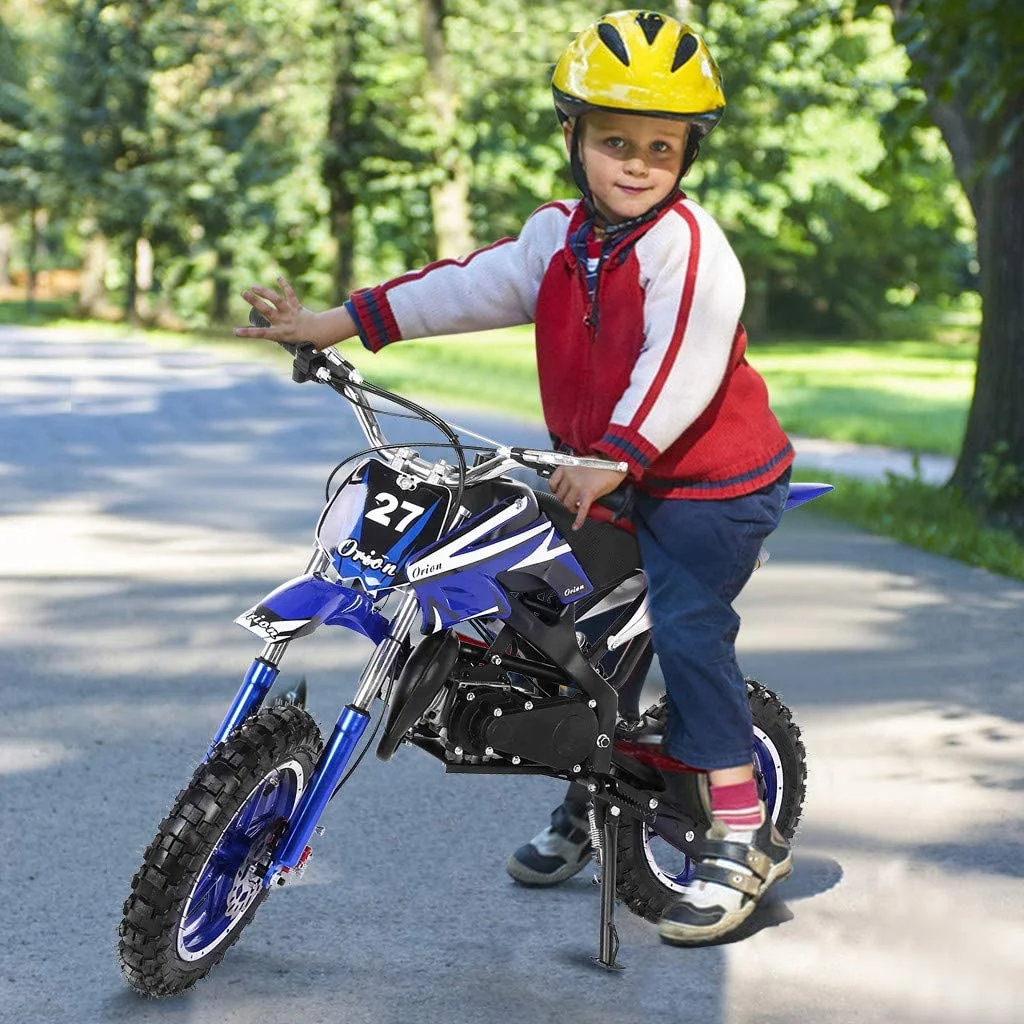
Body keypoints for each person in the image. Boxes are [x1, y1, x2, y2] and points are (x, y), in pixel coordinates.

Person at [236, 10, 794, 946]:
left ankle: (741, 831)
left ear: (690, 151)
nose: (638, 164)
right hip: (605, 473)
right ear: (572, 136)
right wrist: (330, 324)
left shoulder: (690, 247)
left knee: (690, 630)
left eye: (661, 146)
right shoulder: (558, 239)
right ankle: (594, 793)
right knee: (541, 610)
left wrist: (615, 454)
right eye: (615, 142)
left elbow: (682, 362)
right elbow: (463, 286)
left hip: (707, 487)